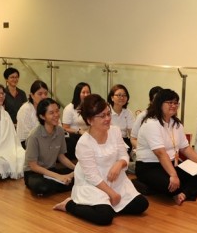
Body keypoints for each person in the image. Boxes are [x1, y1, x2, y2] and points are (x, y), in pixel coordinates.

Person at [53, 94, 148, 225]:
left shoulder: (114, 131)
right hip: (94, 184)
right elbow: (92, 176)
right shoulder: (84, 143)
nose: (108, 119)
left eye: (108, 114)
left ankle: (106, 205)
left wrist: (119, 164)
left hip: (116, 180)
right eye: (102, 116)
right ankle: (69, 205)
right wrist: (112, 194)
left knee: (142, 205)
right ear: (90, 120)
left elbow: (124, 155)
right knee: (105, 217)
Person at [135, 89, 197, 205]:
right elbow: (161, 154)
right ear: (159, 103)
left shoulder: (176, 124)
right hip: (149, 167)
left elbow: (185, 148)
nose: (173, 105)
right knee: (170, 183)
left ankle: (182, 194)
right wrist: (173, 175)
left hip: (171, 164)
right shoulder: (151, 124)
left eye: (176, 103)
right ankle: (179, 190)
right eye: (169, 103)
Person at [24, 98, 76, 196]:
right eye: (51, 113)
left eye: (57, 111)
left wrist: (76, 168)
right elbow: (33, 166)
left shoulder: (60, 131)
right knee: (42, 187)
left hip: (51, 170)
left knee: (80, 177)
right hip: (34, 173)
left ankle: (63, 181)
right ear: (42, 116)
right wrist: (58, 177)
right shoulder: (34, 136)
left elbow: (61, 156)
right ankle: (62, 182)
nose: (56, 115)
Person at [16, 80, 51, 148]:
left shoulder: (48, 107)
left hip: (46, 140)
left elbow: (57, 125)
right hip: (27, 142)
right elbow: (27, 135)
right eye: (40, 94)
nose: (43, 97)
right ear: (32, 95)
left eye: (45, 93)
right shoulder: (25, 109)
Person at [62, 82, 92, 160]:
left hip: (89, 135)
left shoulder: (91, 107)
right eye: (83, 92)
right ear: (78, 93)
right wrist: (78, 131)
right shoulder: (69, 108)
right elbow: (65, 128)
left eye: (88, 92)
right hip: (75, 136)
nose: (86, 95)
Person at [131, 86, 163, 150]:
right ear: (151, 101)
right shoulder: (142, 116)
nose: (159, 102)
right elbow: (133, 139)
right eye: (156, 99)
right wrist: (145, 150)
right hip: (146, 153)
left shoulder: (167, 116)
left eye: (161, 99)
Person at [107, 84, 135, 152]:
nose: (122, 98)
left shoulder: (128, 113)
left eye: (124, 95)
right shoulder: (106, 111)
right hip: (108, 141)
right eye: (119, 95)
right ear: (112, 97)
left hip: (123, 141)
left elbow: (132, 133)